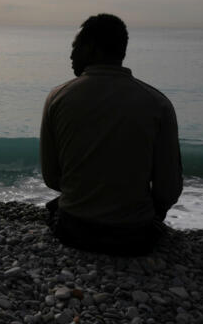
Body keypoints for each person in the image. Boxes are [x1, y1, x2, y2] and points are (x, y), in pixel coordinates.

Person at [40, 13, 182, 255]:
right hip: (134, 236)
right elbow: (168, 188)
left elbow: (52, 178)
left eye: (76, 47)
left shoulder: (58, 97)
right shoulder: (157, 103)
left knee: (55, 208)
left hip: (74, 230)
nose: (71, 55)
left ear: (92, 49)